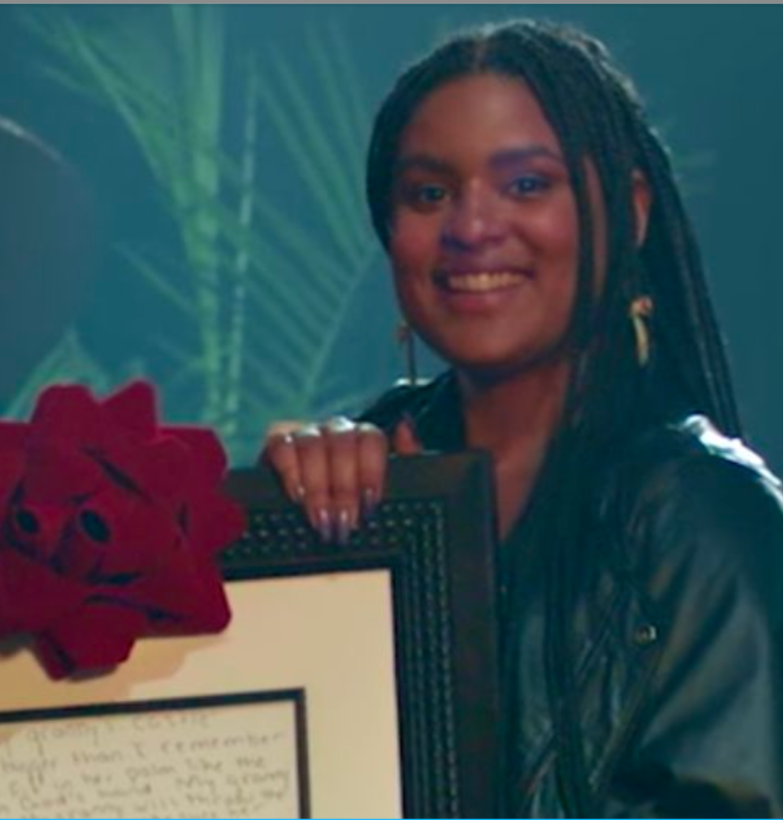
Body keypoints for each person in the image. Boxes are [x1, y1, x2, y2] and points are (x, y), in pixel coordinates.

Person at [263, 20, 783, 816]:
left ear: (629, 209)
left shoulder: (703, 520)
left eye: (527, 184)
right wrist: (269, 534)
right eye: (429, 193)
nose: (471, 227)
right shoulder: (366, 487)